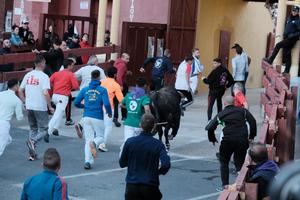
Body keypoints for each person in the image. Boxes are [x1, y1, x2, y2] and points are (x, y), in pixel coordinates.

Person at [205, 96, 257, 191]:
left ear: (225, 104)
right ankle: (242, 183)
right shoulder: (243, 111)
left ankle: (225, 186)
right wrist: (251, 137)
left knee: (224, 162)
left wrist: (212, 138)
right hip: (242, 140)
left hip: (227, 141)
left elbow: (210, 127)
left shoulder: (221, 114)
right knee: (239, 161)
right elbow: (253, 122)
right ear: (234, 103)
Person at [119, 113, 171, 200]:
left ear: (140, 124)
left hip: (132, 185)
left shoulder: (130, 142)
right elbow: (166, 164)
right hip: (150, 185)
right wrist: (159, 172)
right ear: (154, 126)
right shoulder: (158, 144)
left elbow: (122, 163)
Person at [74, 70, 112, 170]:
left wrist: (84, 105)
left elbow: (76, 102)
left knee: (88, 140)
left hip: (86, 116)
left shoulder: (85, 89)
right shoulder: (102, 90)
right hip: (97, 116)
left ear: (91, 77)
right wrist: (109, 112)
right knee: (101, 137)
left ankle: (88, 161)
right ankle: (95, 143)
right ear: (99, 77)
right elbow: (107, 104)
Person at [19, 55, 54, 161]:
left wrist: (24, 101)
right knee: (44, 129)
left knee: (33, 128)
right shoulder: (44, 76)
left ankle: (32, 154)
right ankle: (33, 141)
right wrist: (50, 106)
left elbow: (20, 90)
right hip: (40, 106)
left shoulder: (28, 75)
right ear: (42, 63)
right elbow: (45, 93)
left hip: (29, 105)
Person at [45, 59, 79, 142]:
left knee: (60, 112)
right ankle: (47, 132)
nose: (73, 67)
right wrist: (69, 86)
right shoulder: (70, 75)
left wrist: (55, 86)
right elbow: (76, 87)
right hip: (63, 97)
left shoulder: (56, 73)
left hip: (55, 95)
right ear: (70, 65)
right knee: (57, 114)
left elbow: (49, 81)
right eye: (72, 65)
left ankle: (56, 128)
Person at [264, 6, 300, 74]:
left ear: (298, 12)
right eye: (293, 11)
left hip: (291, 40)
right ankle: (286, 71)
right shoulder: (289, 18)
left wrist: (293, 35)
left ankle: (270, 60)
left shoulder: (298, 21)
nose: (294, 12)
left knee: (278, 45)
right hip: (286, 38)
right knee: (287, 54)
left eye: (295, 11)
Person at [99, 66, 124, 152]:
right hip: (109, 107)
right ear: (115, 74)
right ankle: (102, 144)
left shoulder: (101, 82)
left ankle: (96, 140)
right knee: (108, 126)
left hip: (98, 105)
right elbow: (121, 100)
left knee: (99, 124)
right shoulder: (116, 85)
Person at [121, 77, 151, 143]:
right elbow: (147, 109)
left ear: (136, 84)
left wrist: (128, 108)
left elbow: (121, 104)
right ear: (145, 85)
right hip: (139, 124)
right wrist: (149, 120)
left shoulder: (128, 95)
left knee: (127, 143)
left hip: (128, 123)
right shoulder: (145, 97)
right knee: (139, 144)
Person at [0, 79, 23, 157]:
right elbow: (19, 118)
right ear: (16, 86)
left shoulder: (1, 94)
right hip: (4, 123)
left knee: (8, 140)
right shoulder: (17, 100)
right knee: (1, 148)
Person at [113, 53, 131, 127]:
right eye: (127, 59)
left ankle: (115, 117)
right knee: (124, 100)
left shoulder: (117, 62)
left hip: (114, 84)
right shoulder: (123, 65)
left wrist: (127, 72)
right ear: (122, 58)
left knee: (115, 102)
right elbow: (119, 75)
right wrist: (121, 85)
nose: (128, 60)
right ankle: (124, 116)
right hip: (121, 84)